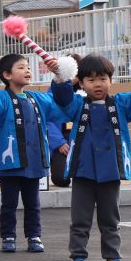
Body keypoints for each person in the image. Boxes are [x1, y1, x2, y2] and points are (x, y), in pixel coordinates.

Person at [51, 54, 131, 261]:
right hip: (82, 171)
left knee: (110, 220)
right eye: (90, 79)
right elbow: (62, 99)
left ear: (110, 80)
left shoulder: (122, 104)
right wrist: (60, 78)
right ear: (80, 82)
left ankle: (114, 260)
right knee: (80, 220)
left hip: (110, 172)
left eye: (102, 78)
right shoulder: (77, 104)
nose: (97, 84)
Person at [0, 53, 65, 254]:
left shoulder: (38, 98)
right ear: (7, 75)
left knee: (33, 203)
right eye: (21, 67)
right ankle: (8, 236)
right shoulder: (0, 97)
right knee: (8, 203)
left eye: (28, 67)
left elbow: (60, 104)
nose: (27, 70)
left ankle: (34, 235)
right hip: (11, 164)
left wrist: (60, 78)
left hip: (34, 162)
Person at [50, 53, 82, 188]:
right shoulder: (53, 91)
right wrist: (59, 143)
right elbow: (47, 120)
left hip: (83, 138)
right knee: (60, 179)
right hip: (63, 140)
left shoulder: (88, 90)